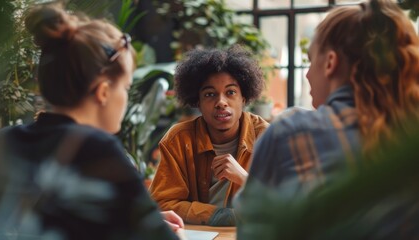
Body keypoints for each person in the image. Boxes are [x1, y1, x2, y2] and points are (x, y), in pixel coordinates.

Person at [0, 3, 184, 240]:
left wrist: (129, 219)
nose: (125, 98)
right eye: (125, 88)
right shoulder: (97, 148)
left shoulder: (1, 142)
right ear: (103, 92)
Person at [234, 0, 419, 238]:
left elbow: (252, 232)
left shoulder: (290, 134)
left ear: (330, 62)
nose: (308, 74)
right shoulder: (408, 139)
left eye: (311, 60)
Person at [149, 45, 269, 226]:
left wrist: (244, 179)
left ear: (244, 98)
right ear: (198, 101)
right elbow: (163, 203)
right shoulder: (179, 140)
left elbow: (287, 201)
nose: (221, 102)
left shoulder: (266, 137)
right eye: (210, 94)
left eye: (231, 92)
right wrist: (222, 215)